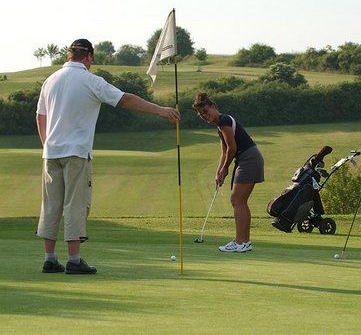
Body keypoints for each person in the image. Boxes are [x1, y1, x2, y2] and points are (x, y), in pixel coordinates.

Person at [36, 39, 180, 274]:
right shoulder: (90, 80)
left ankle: (49, 258)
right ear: (89, 57)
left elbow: (40, 116)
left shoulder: (50, 81)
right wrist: (161, 110)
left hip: (50, 153)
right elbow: (124, 99)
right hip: (77, 153)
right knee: (75, 204)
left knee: (51, 205)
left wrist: (46, 144)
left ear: (69, 55)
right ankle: (73, 260)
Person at [192, 92, 264, 252]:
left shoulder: (224, 121)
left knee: (237, 199)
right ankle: (244, 242)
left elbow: (233, 148)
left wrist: (225, 168)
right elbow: (224, 152)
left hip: (249, 158)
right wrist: (218, 172)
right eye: (201, 114)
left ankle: (240, 242)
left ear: (213, 106)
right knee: (240, 201)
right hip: (246, 159)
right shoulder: (220, 126)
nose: (205, 115)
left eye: (206, 111)